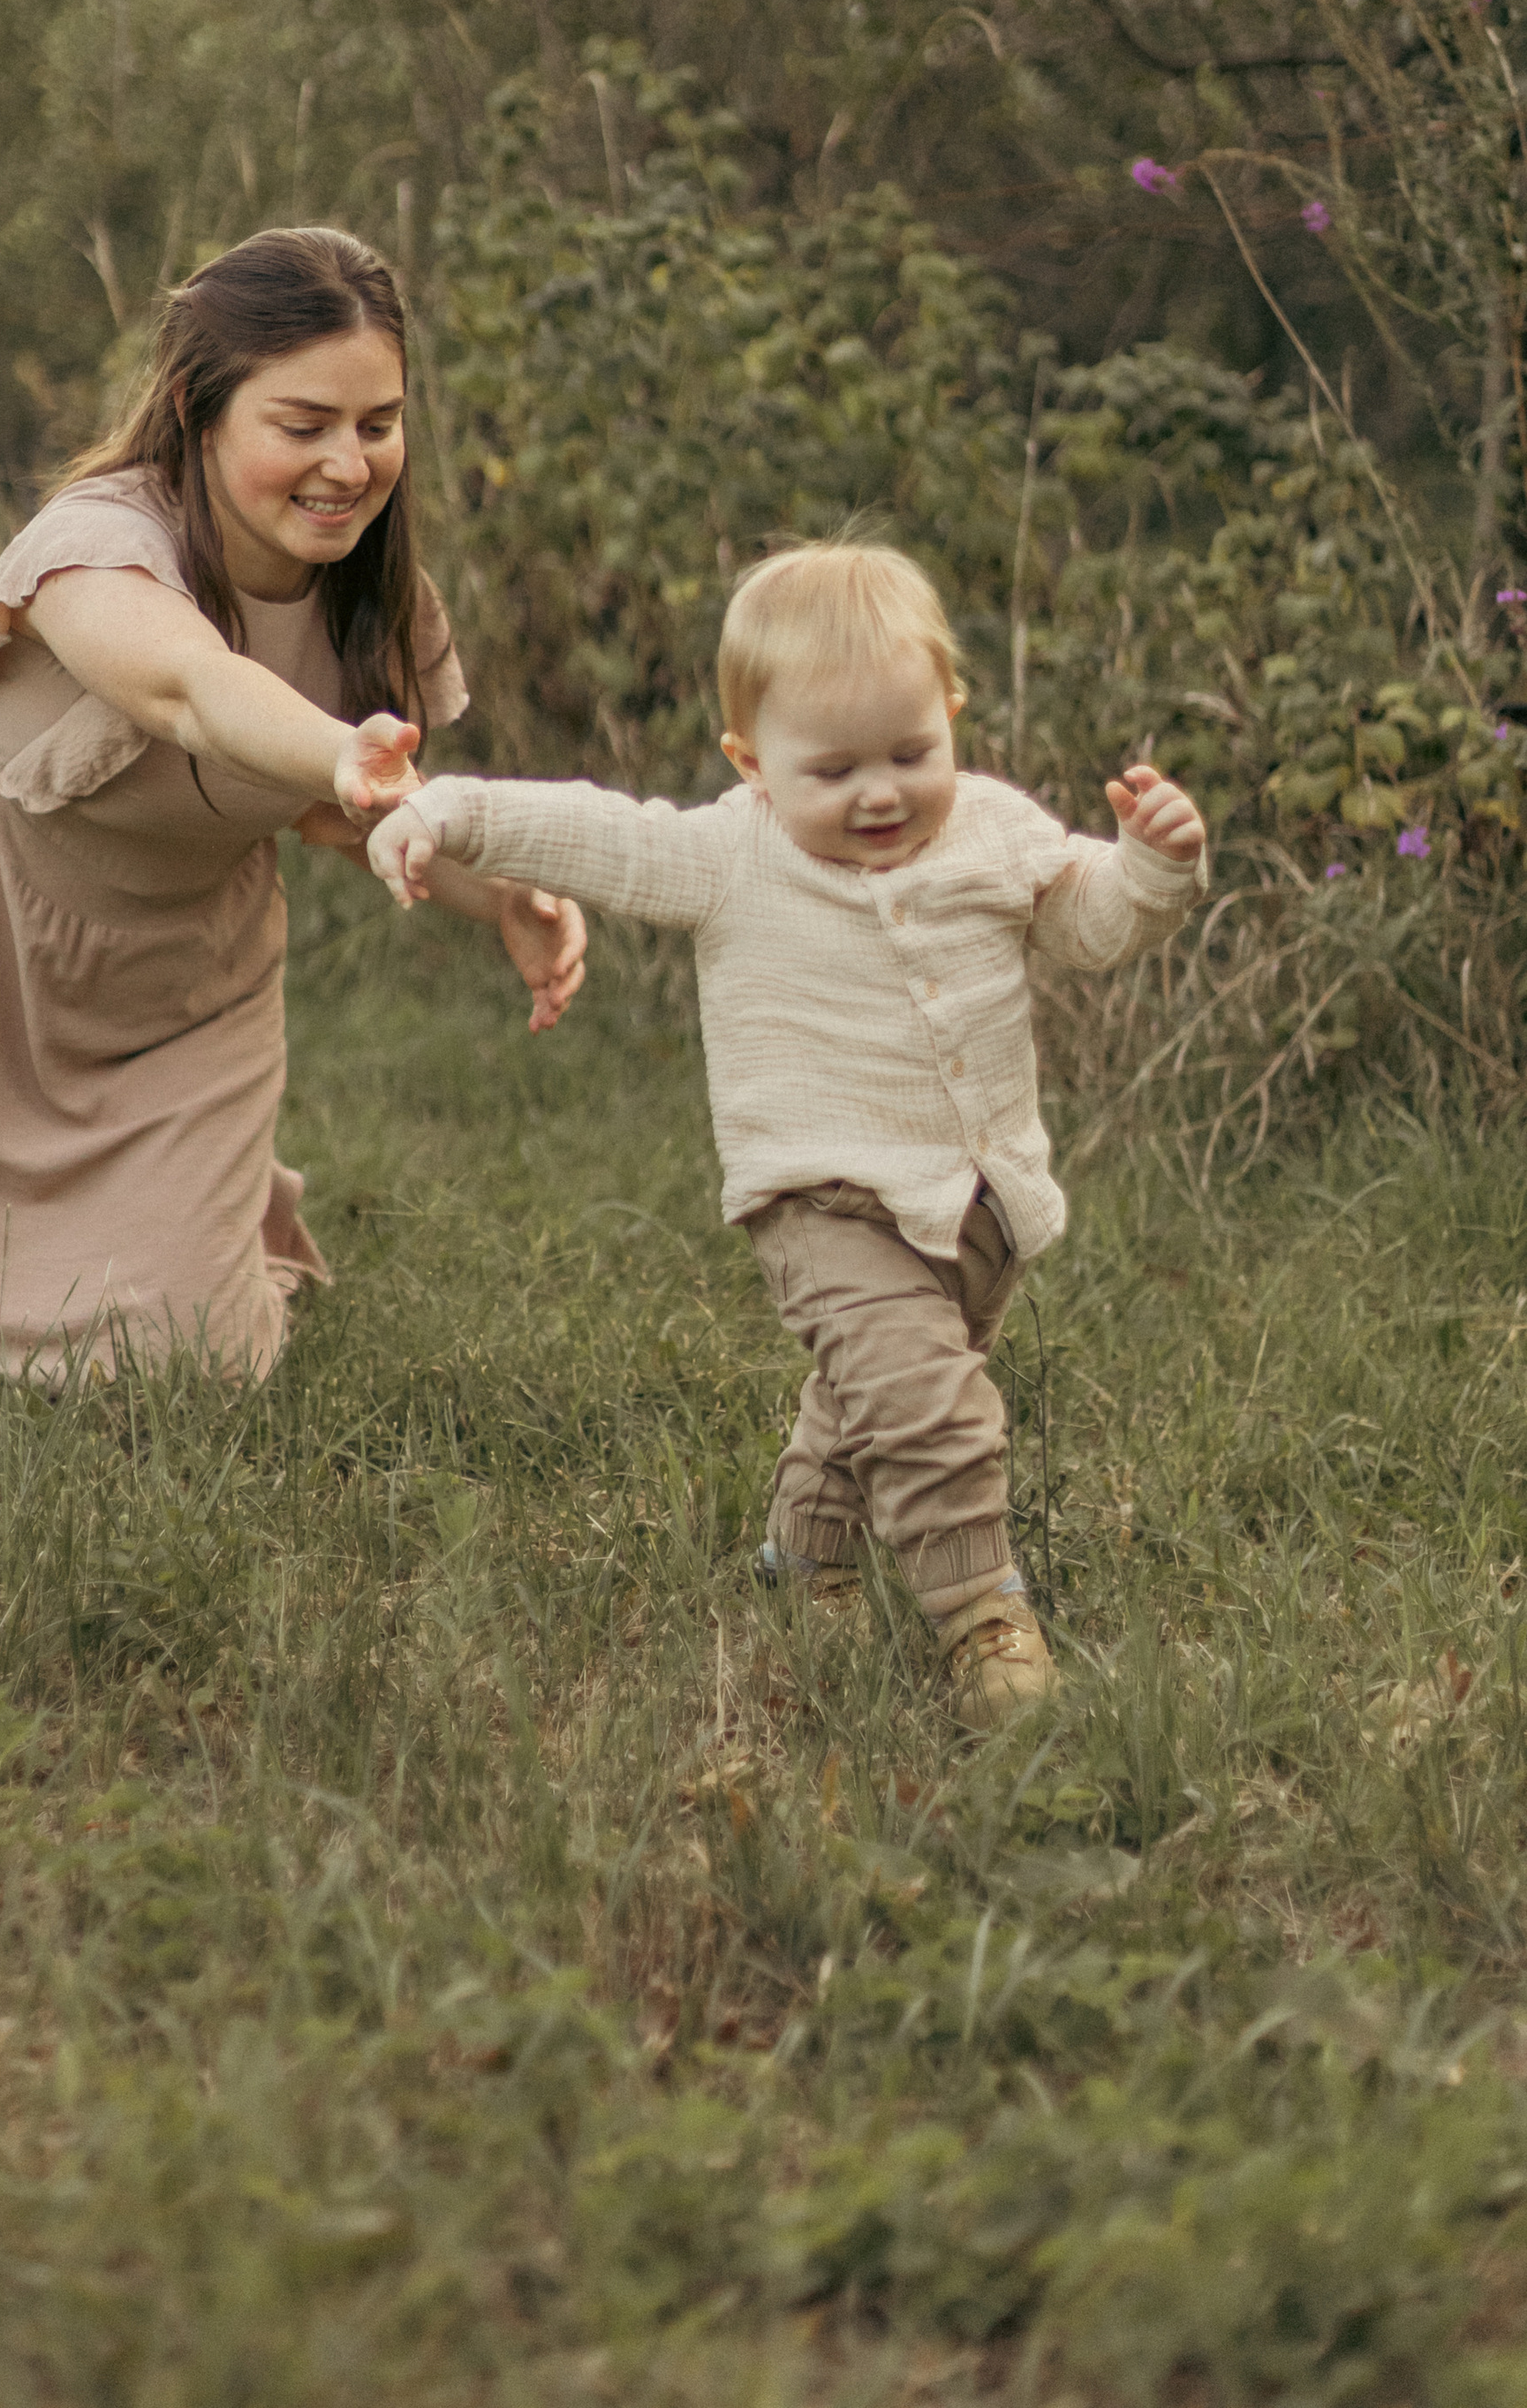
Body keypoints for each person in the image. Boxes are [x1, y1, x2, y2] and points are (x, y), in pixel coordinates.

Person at [368, 536, 1207, 1730]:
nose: (879, 793)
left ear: (953, 718)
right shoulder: (729, 853)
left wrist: (1153, 869)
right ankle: (983, 1619)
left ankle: (804, 1557)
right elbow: (591, 831)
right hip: (820, 1201)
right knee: (927, 1399)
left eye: (912, 754)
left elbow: (1091, 923)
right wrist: (445, 814)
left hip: (974, 1200)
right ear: (751, 764)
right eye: (833, 770)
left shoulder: (994, 830)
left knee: (868, 1393)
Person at [0, 224, 586, 1383]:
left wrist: (502, 893)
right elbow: (193, 689)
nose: (348, 465)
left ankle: (191, 1245)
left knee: (188, 1365)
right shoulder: (97, 544)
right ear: (196, 409)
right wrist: (340, 755)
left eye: (378, 425)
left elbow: (353, 816)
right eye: (303, 427)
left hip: (184, 997)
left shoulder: (374, 602)